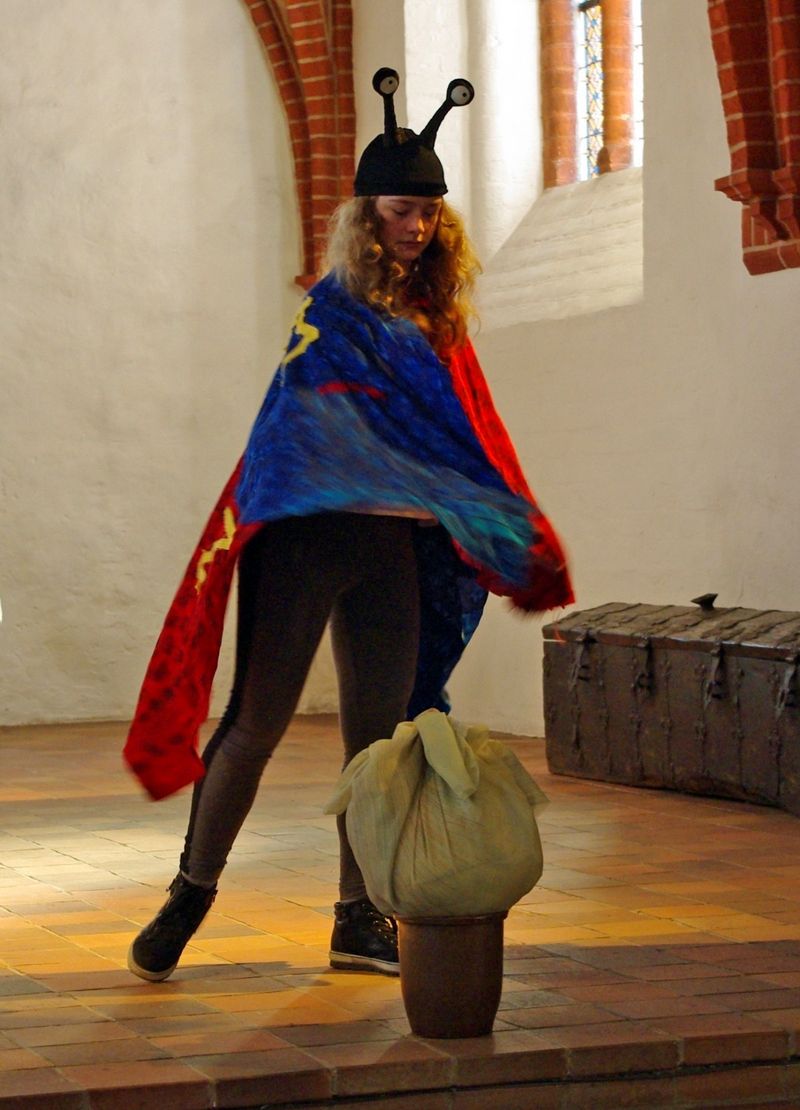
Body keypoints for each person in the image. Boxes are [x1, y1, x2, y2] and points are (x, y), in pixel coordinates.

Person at [123, 67, 573, 983]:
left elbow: (463, 438)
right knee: (257, 721)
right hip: (307, 538)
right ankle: (189, 892)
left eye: (430, 214)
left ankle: (356, 917)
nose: (418, 227)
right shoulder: (332, 312)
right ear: (367, 214)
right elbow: (301, 431)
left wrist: (490, 517)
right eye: (403, 211)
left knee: (378, 741)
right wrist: (401, 457)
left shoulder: (438, 323)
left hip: (392, 547)